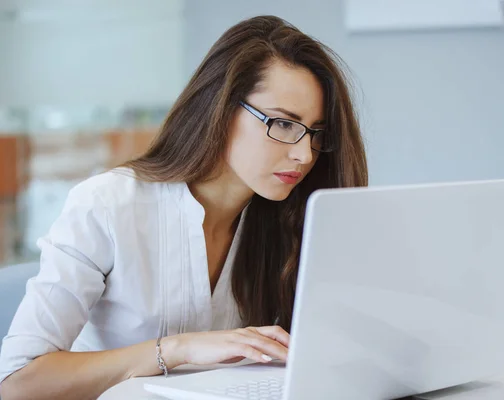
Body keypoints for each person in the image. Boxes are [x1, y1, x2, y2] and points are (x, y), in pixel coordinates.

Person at [0, 15, 368, 400]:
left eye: (315, 132)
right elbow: (19, 383)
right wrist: (177, 349)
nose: (304, 153)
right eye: (283, 124)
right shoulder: (108, 205)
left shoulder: (288, 218)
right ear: (221, 109)